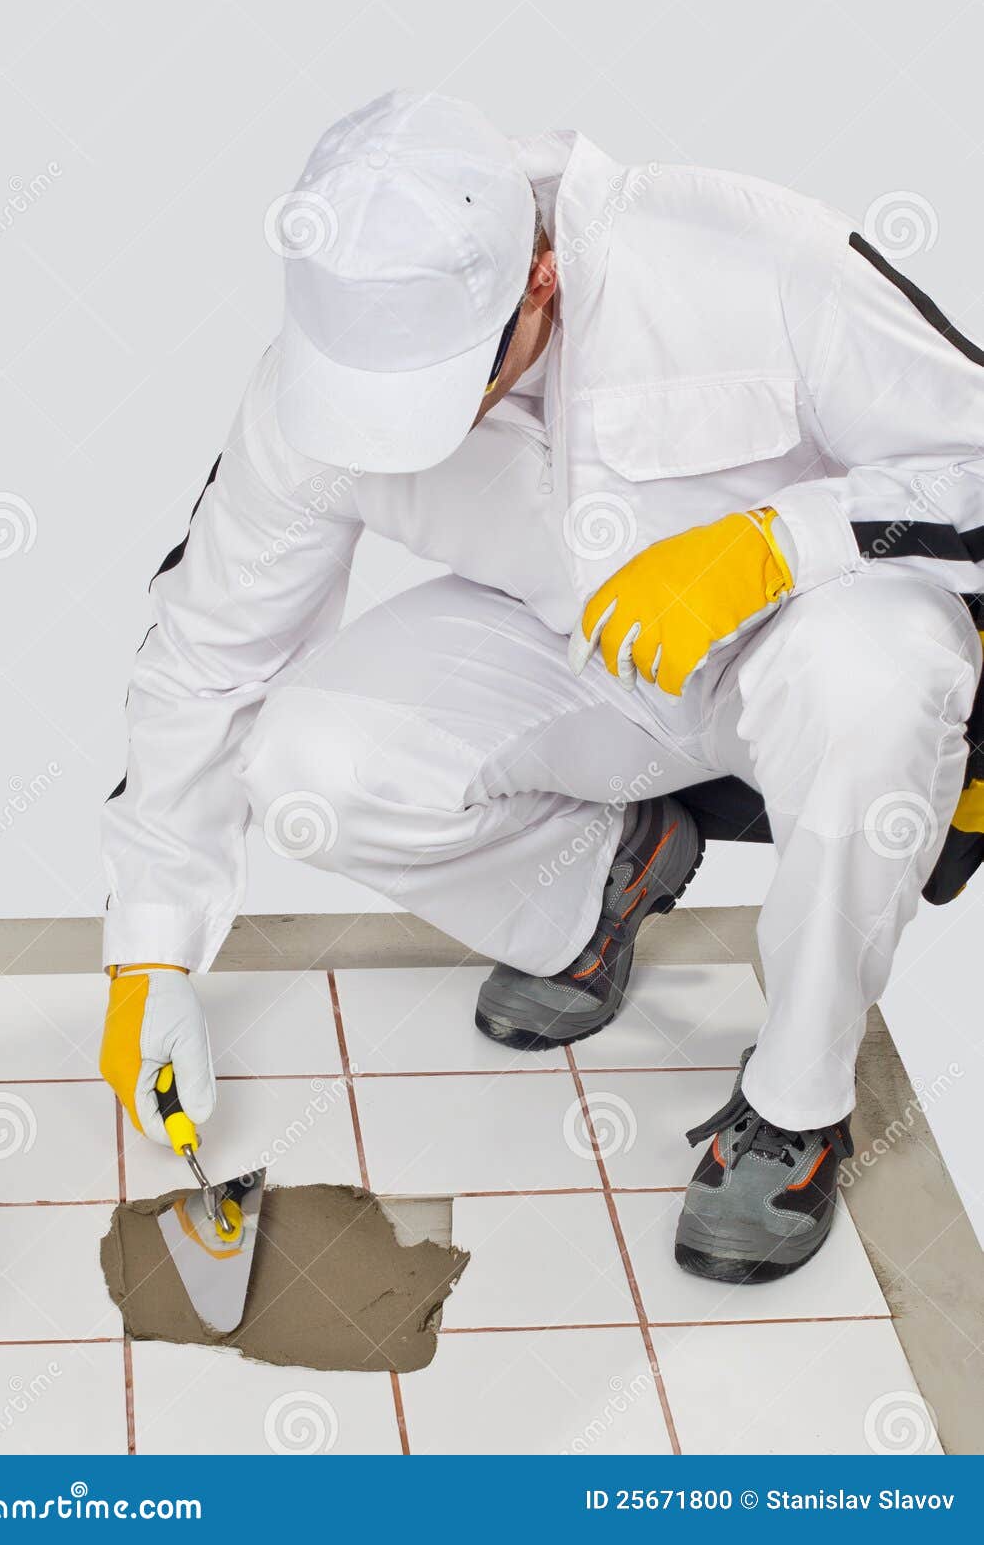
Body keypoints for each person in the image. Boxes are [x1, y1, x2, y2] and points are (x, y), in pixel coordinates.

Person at [99, 89, 984, 1284]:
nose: (426, 427)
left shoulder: (748, 257)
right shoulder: (316, 390)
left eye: (453, 384)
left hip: (806, 654)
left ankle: (795, 1101)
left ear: (542, 280)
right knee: (307, 762)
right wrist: (149, 946)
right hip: (588, 668)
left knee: (878, 670)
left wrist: (780, 540)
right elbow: (209, 649)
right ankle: (604, 883)